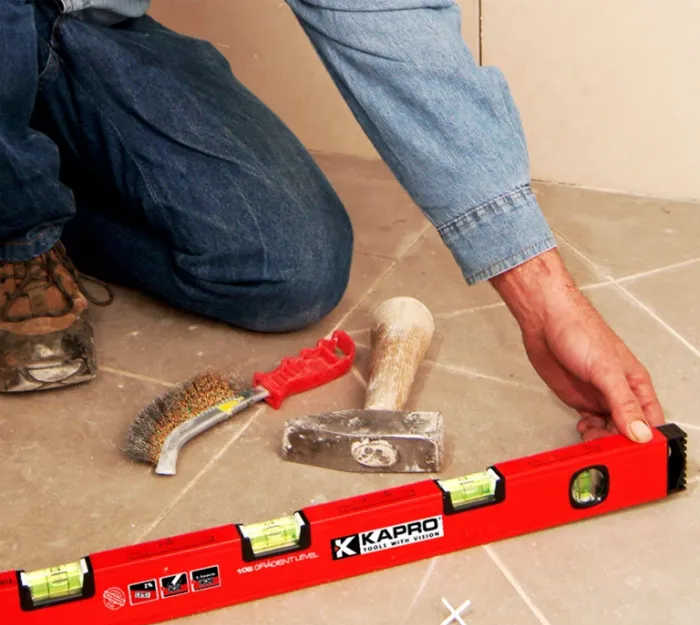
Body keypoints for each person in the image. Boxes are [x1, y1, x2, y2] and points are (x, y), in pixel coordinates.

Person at [1, 0, 665, 444]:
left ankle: (31, 180)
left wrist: (546, 301)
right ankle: (19, 229)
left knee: (290, 266)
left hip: (81, 27)